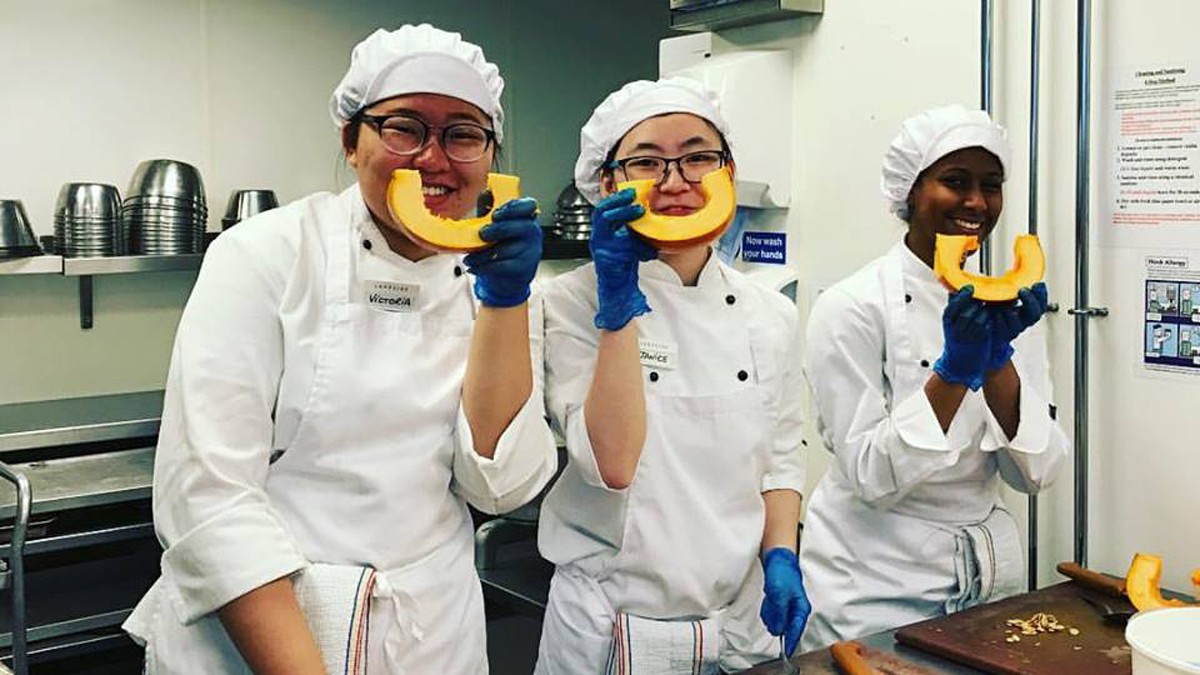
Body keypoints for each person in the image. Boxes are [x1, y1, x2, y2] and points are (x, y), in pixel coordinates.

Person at [122, 24, 557, 674]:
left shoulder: (501, 279)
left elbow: (499, 488)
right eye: (404, 127)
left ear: (490, 154)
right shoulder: (265, 256)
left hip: (430, 635)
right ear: (352, 142)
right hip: (264, 634)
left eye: (464, 134)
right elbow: (208, 497)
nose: (433, 158)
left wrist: (504, 304)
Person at [535, 77, 810, 674]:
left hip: (740, 624)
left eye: (697, 157)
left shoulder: (771, 312)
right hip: (611, 627)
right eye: (646, 162)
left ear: (728, 172)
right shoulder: (568, 302)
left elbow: (781, 458)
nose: (676, 181)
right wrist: (616, 310)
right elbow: (610, 464)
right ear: (608, 184)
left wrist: (781, 556)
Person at [798, 104, 1069, 650]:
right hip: (871, 584)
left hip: (984, 584)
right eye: (955, 181)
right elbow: (870, 476)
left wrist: (996, 360)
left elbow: (1038, 472)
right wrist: (955, 372)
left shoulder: (1005, 305)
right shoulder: (851, 306)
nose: (977, 202)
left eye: (990, 185)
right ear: (911, 191)